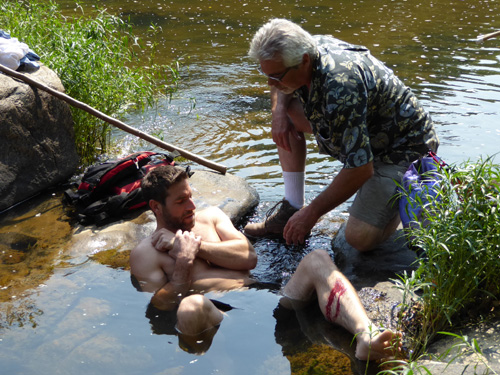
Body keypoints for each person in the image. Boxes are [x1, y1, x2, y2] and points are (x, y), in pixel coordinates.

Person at [245, 18, 439, 251]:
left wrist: (312, 213)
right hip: (368, 130)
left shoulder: (340, 87)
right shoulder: (306, 48)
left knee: (358, 238)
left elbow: (360, 168)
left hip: (402, 149)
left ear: (303, 61)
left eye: (276, 76)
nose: (270, 83)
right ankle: (292, 206)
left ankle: (400, 196)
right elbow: (280, 85)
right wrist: (278, 113)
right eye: (266, 74)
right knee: (287, 112)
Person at [129, 165, 257, 350]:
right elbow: (159, 308)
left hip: (259, 295)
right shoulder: (145, 253)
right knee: (191, 306)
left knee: (314, 263)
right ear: (156, 207)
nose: (192, 206)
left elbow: (249, 258)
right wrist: (184, 261)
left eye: (190, 196)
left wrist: (195, 248)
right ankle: (219, 361)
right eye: (181, 201)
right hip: (215, 315)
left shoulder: (211, 216)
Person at [278, 249, 401, 361]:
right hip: (287, 304)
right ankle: (365, 333)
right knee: (316, 260)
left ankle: (366, 334)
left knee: (317, 260)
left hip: (288, 297)